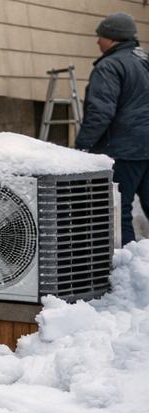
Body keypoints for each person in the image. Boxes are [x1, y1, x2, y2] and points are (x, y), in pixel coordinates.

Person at [75, 12, 149, 242]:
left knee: (117, 209)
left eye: (101, 36)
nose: (97, 40)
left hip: (123, 149)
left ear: (113, 38)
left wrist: (82, 146)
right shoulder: (144, 60)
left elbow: (100, 111)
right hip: (145, 147)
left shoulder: (110, 66)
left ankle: (124, 266)